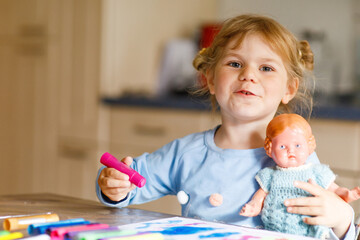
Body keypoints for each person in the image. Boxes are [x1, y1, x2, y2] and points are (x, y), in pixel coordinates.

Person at [95, 14, 356, 239]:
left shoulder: (297, 155)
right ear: (209, 78)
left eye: (266, 67)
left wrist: (343, 219)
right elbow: (129, 182)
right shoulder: (187, 153)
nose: (248, 75)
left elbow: (323, 227)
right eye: (235, 64)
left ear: (289, 88)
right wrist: (114, 186)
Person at [239, 113, 360, 239]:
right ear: (270, 149)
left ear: (309, 146)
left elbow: (333, 190)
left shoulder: (316, 172)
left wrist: (345, 194)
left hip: (309, 228)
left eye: (297, 145)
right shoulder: (270, 175)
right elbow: (261, 194)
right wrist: (254, 205)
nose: (290, 151)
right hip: (275, 228)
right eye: (282, 146)